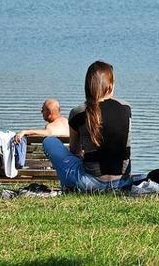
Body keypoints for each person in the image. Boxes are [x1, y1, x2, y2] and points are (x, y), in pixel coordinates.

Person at [43, 61, 132, 191]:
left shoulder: (77, 112)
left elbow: (75, 152)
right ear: (109, 87)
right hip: (123, 182)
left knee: (49, 141)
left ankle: (69, 185)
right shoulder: (126, 108)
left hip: (89, 184)